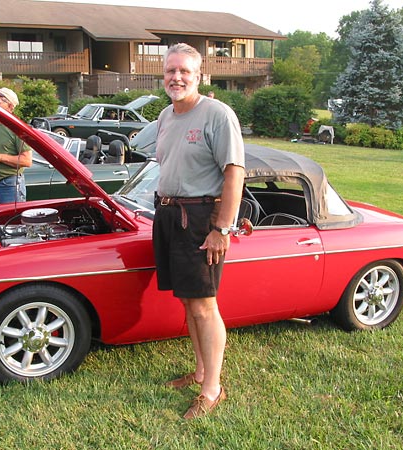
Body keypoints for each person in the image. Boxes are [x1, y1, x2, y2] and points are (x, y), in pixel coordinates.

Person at [153, 43, 245, 419]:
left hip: (202, 218)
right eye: (171, 71)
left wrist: (222, 227)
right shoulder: (164, 115)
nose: (177, 78)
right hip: (168, 215)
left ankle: (212, 389)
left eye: (185, 72)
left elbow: (235, 172)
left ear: (199, 76)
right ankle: (201, 371)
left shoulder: (218, 115)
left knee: (205, 306)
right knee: (189, 301)